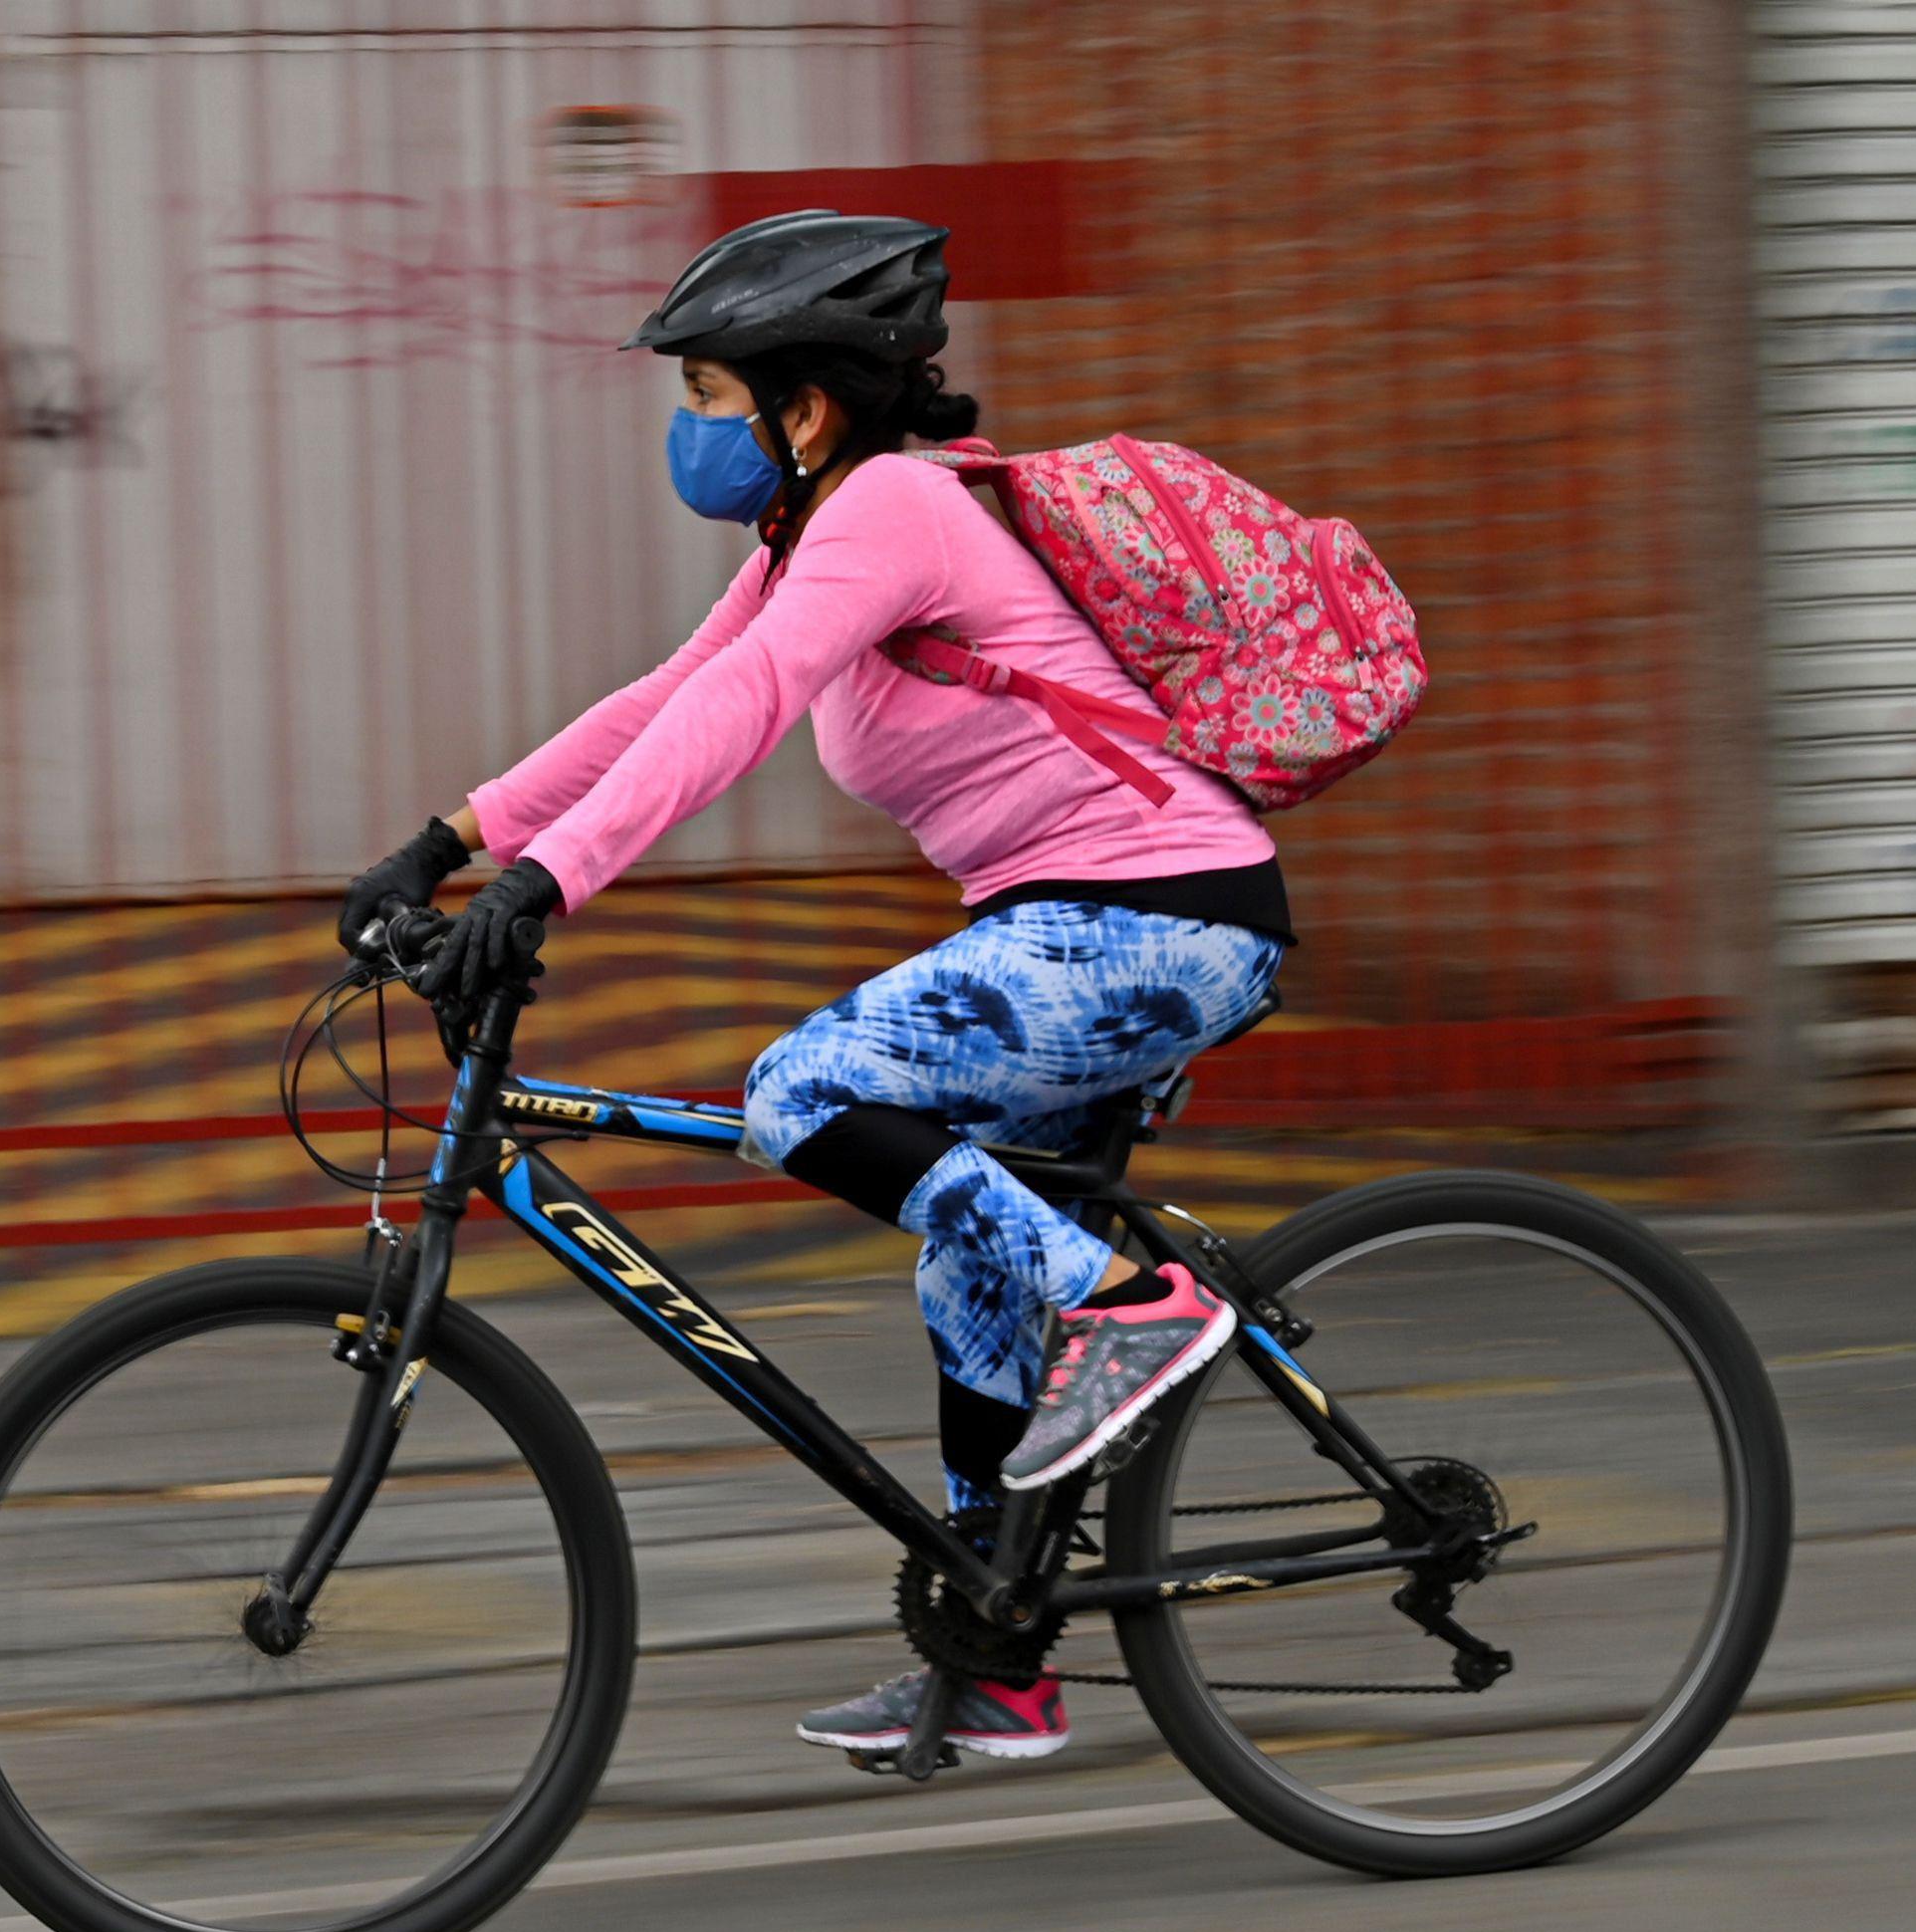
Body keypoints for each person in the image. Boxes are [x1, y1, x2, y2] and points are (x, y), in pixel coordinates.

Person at [335, 212, 1290, 1765]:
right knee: (967, 1263)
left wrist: (544, 885)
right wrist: (447, 841)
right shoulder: (811, 530)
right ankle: (1000, 1659)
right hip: (1073, 917)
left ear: (809, 405)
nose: (688, 431)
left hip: (1162, 911)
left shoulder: (894, 509)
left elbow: (751, 705)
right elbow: (666, 700)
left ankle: (1134, 1305)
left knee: (811, 1090)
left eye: (708, 395)